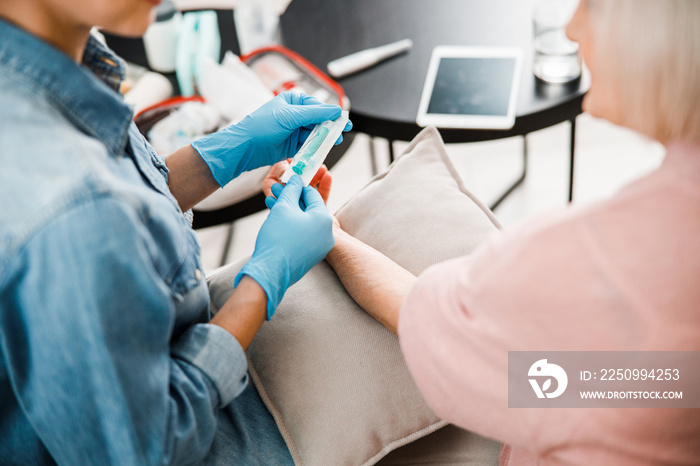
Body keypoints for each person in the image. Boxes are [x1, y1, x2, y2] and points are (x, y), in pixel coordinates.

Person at [265, 0, 700, 464]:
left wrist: (329, 234)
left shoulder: (595, 260)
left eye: (592, 8)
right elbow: (648, 382)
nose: (571, 30)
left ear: (661, 38)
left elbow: (424, 319)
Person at [0, 0, 350, 464]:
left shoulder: (65, 56)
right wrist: (263, 281)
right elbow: (148, 451)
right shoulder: (73, 215)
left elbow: (124, 208)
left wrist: (225, 152)